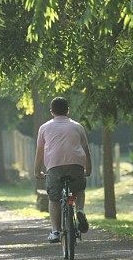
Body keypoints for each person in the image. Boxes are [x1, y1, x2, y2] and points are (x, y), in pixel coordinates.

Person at [34, 96, 92, 243]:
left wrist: (37, 171)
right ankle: (79, 210)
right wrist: (88, 169)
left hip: (54, 168)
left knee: (53, 198)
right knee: (79, 189)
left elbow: (39, 152)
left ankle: (55, 231)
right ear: (68, 111)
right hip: (76, 166)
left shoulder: (44, 128)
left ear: (51, 112)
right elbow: (86, 149)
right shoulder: (77, 127)